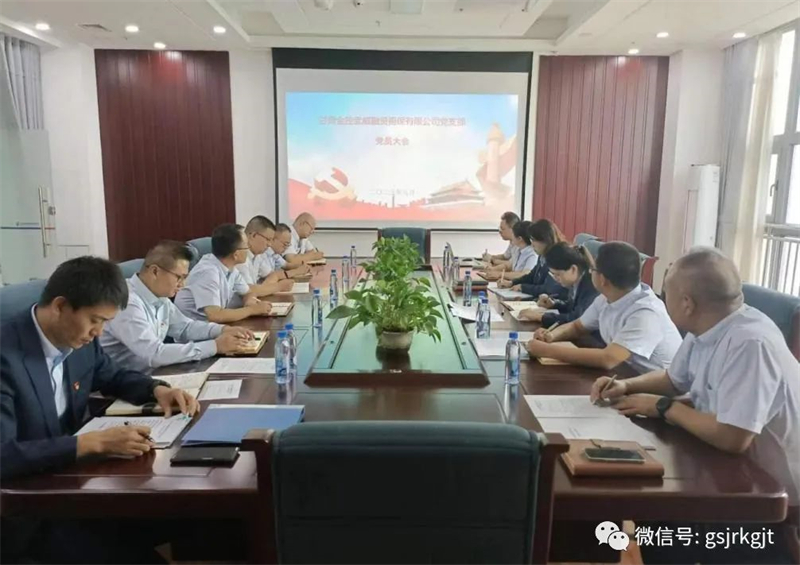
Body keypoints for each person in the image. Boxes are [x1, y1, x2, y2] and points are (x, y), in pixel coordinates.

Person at [592, 248, 799, 564]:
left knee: (663, 520)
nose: (663, 300)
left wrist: (665, 408)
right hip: (731, 470)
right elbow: (673, 379)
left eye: (667, 294)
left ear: (687, 303)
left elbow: (733, 437)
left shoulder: (749, 342)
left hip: (768, 497)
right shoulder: (710, 324)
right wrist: (626, 385)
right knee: (654, 511)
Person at [1, 257, 199, 562]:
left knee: (188, 517)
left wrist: (157, 389)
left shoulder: (79, 341)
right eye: (95, 320)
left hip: (76, 486)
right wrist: (90, 444)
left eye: (106, 322)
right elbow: (4, 456)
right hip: (27, 509)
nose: (99, 331)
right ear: (60, 306)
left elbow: (112, 376)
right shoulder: (6, 355)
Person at [525, 241, 681, 373]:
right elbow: (577, 327)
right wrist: (551, 336)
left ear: (603, 279)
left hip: (657, 390)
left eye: (592, 269)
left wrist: (546, 351)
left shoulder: (646, 313)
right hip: (626, 376)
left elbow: (608, 358)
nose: (589, 272)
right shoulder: (606, 298)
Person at [101, 240, 254, 373]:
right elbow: (154, 353)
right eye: (179, 277)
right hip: (123, 386)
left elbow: (185, 327)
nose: (183, 285)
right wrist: (215, 346)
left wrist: (222, 330)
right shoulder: (127, 302)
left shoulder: (159, 296)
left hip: (154, 375)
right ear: (155, 271)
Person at [174, 224, 273, 322]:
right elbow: (215, 315)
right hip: (193, 328)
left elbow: (247, 292)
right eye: (246, 245)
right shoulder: (208, 272)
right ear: (236, 254)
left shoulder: (230, 268)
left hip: (211, 326)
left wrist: (249, 301)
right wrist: (251, 310)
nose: (249, 248)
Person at [518, 242, 599, 326]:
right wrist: (554, 304)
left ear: (573, 269)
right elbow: (571, 306)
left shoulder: (591, 286)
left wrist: (541, 317)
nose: (555, 278)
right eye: (553, 274)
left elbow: (576, 319)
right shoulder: (576, 281)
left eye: (558, 274)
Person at [497, 218, 567, 300]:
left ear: (544, 240)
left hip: (552, 302)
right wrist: (512, 283)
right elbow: (531, 275)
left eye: (533, 240)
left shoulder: (556, 258)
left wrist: (523, 287)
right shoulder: (542, 256)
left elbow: (547, 289)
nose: (532, 244)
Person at [236, 215, 294, 296]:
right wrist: (279, 287)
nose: (269, 244)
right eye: (268, 239)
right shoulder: (240, 256)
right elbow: (249, 290)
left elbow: (273, 275)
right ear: (253, 235)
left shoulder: (257, 255)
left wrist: (263, 289)